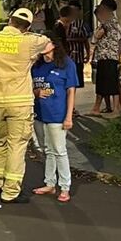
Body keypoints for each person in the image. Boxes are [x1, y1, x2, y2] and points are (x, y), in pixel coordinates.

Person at [0, 7, 52, 203]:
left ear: (10, 20)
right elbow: (47, 43)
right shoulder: (29, 41)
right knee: (17, 145)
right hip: (20, 102)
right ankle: (10, 191)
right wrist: (28, 32)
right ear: (27, 26)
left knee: (1, 141)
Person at [31, 34, 78, 203]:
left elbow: (71, 91)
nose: (43, 45)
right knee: (47, 149)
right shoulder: (36, 65)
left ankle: (65, 186)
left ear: (54, 45)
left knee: (59, 150)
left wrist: (68, 117)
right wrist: (36, 93)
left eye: (47, 42)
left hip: (57, 114)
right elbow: (29, 87)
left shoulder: (66, 64)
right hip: (40, 114)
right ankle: (49, 183)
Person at [90, 1, 121, 115]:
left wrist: (118, 55)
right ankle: (100, 108)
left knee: (112, 83)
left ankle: (116, 108)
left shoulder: (109, 22)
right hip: (105, 56)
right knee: (104, 83)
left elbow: (96, 37)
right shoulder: (110, 22)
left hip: (109, 56)